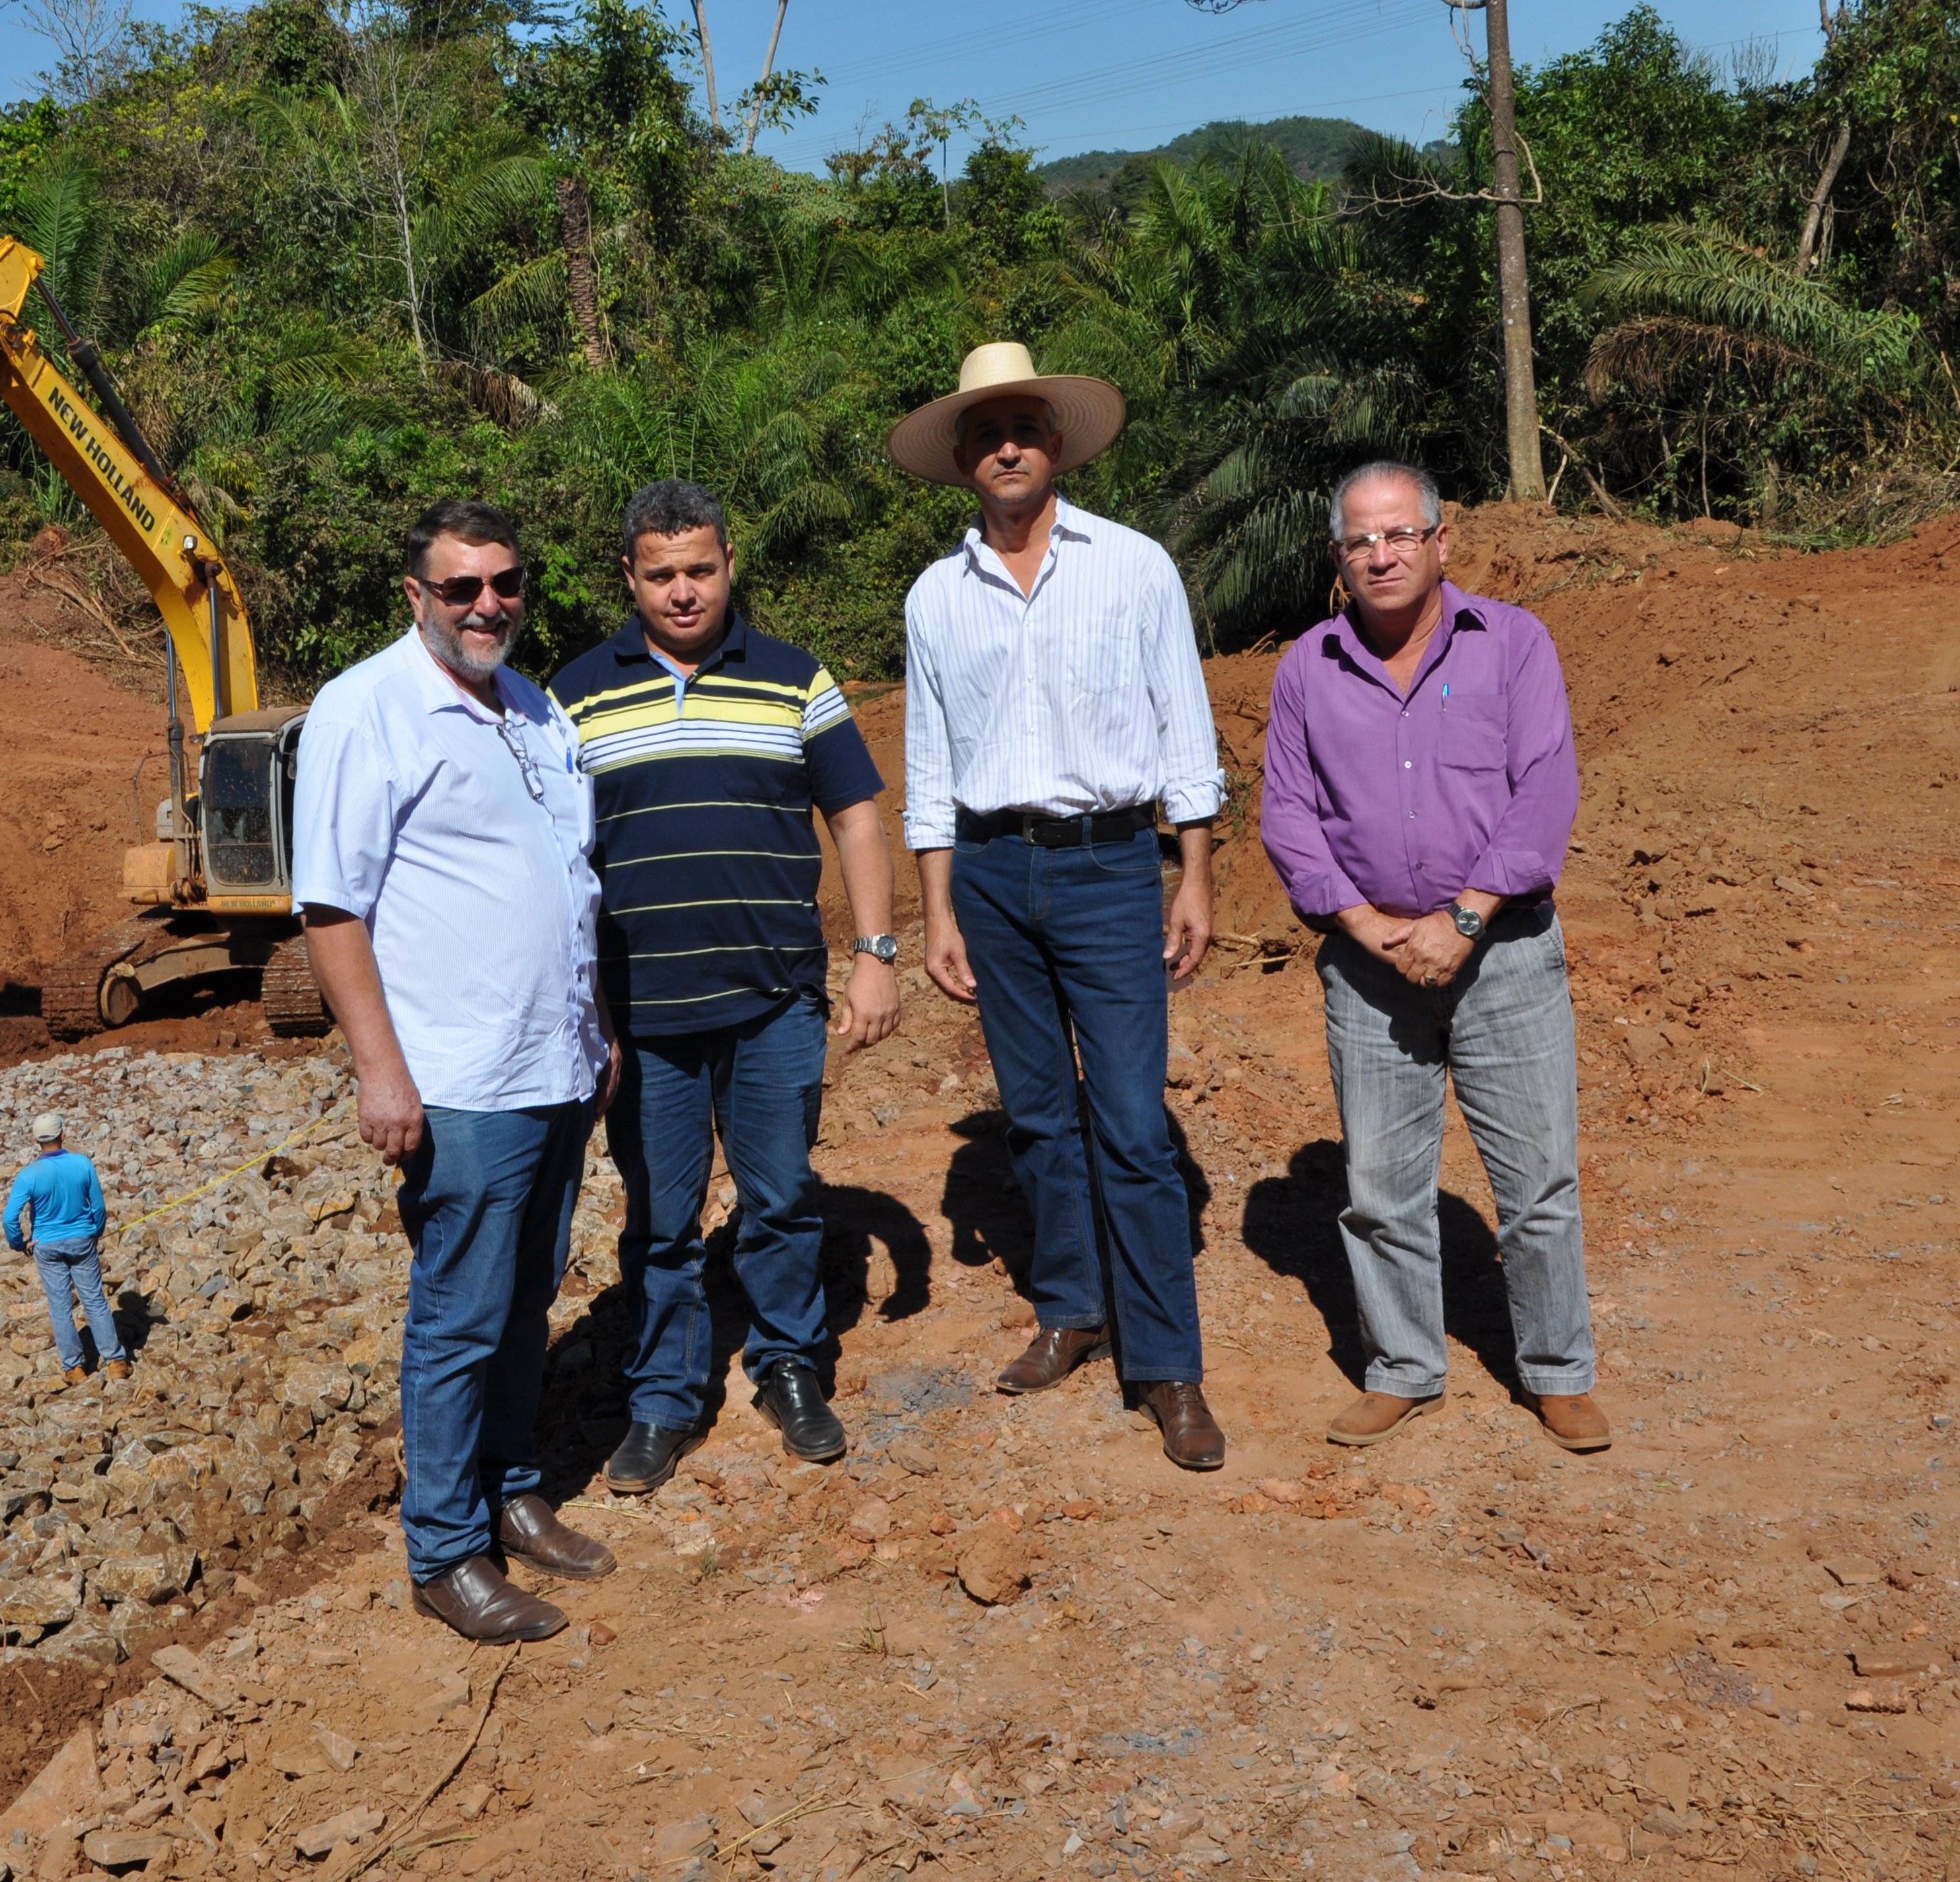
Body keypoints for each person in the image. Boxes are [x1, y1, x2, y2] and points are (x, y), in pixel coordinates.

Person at [889, 341, 1230, 1472]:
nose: (1005, 446)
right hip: (988, 875)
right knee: (1036, 1114)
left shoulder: (1130, 566)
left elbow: (1183, 724)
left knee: (1131, 1127)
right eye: (985, 432)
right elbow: (929, 766)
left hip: (1105, 868)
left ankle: (1166, 1364)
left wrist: (1193, 870)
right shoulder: (935, 596)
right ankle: (1074, 1306)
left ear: (1055, 443)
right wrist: (934, 910)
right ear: (958, 456)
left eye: (1024, 427)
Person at [291, 497, 619, 1643]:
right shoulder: (365, 708)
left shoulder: (534, 707)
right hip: (457, 1079)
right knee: (460, 1314)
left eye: (505, 582)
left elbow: (567, 883)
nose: (489, 604)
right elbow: (331, 906)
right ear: (415, 596)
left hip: (554, 1065)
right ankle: (444, 1549)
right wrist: (380, 1073)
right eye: (462, 587)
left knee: (527, 1300)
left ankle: (512, 1486)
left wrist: (596, 1031)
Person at [548, 478, 901, 1493]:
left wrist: (875, 955)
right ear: (630, 578)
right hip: (642, 1017)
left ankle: (790, 1365)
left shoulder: (796, 680)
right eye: (661, 575)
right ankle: (665, 1397)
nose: (684, 591)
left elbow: (859, 821)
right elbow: (554, 862)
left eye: (701, 569)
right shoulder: (575, 696)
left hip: (776, 1001)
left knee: (782, 1197)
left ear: (730, 563)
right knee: (661, 1217)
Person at [1260, 461, 1607, 1453]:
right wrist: (1367, 926)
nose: (1382, 554)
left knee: (1537, 1180)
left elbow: (1544, 787)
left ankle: (1557, 1371)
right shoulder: (1306, 669)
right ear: (1339, 559)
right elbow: (1286, 815)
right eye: (1361, 541)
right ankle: (1404, 1366)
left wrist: (1462, 918)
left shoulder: (1514, 645)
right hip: (1369, 969)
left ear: (1441, 542)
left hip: (1506, 952)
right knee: (1379, 1186)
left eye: (1400, 534)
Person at [1, 1111, 128, 1383]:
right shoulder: (82, 1164)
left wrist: (19, 1244)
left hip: (46, 1245)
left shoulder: (29, 1174)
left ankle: (74, 1367)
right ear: (63, 1134)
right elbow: (99, 1207)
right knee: (94, 1299)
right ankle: (116, 1361)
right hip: (82, 1239)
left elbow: (10, 1217)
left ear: (36, 1139)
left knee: (60, 1307)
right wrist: (95, 1233)